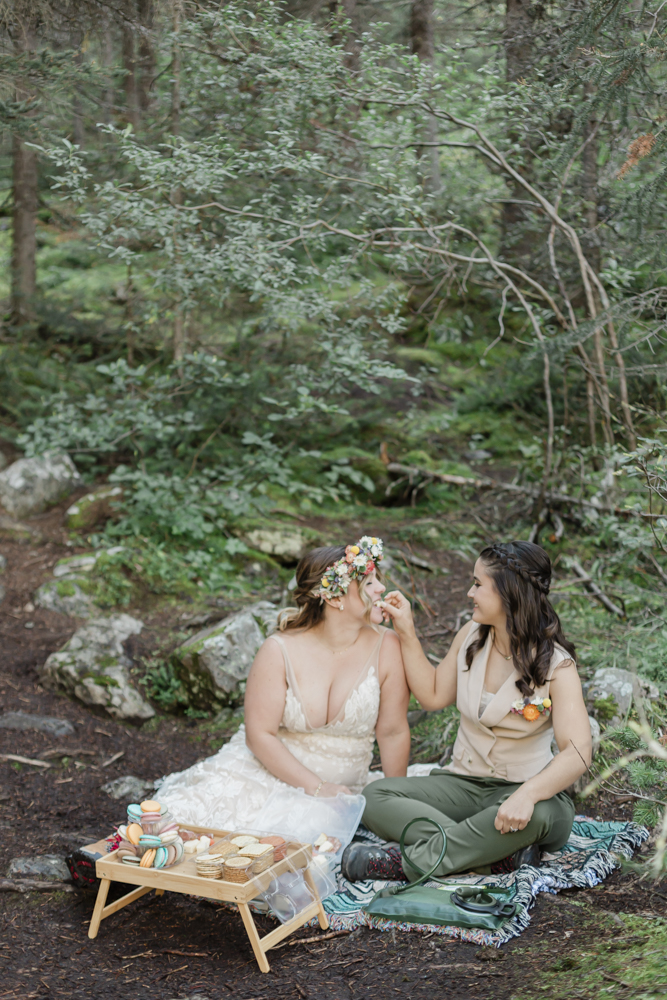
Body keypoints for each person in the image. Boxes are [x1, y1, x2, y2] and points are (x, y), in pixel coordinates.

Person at [342, 541, 592, 882]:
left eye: (477, 584)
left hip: (522, 790)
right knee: (374, 796)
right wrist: (407, 632)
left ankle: (404, 864)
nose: (469, 592)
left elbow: (578, 752)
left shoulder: (557, 665)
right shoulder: (471, 636)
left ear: (508, 593)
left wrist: (527, 795)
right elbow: (431, 694)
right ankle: (492, 854)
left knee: (542, 814)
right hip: (462, 785)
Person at [156, 536, 428, 830]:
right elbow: (259, 734)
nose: (381, 589)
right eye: (368, 582)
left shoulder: (387, 646)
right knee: (183, 820)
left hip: (342, 792)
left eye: (377, 580)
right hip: (263, 773)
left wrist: (394, 800)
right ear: (335, 598)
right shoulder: (279, 650)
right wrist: (319, 788)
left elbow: (392, 732)